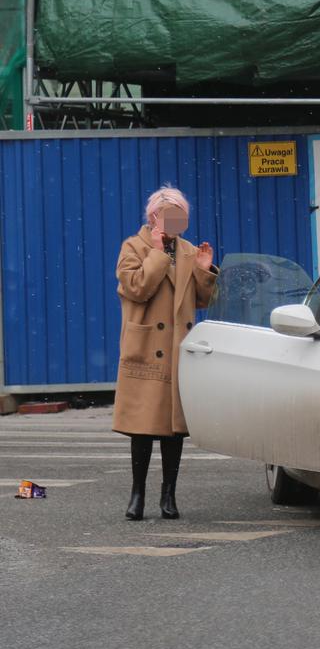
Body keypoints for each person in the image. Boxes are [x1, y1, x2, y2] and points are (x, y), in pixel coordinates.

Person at [112, 186, 219, 520]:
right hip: (146, 348)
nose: (173, 221)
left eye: (179, 214)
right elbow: (136, 288)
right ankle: (137, 496)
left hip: (176, 350)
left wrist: (204, 270)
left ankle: (168, 498)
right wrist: (157, 253)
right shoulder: (134, 246)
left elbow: (202, 301)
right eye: (167, 213)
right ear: (153, 215)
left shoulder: (188, 250)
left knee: (174, 430)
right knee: (142, 429)